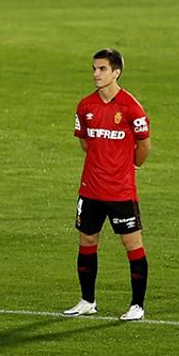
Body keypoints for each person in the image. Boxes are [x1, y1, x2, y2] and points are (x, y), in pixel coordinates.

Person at [63, 48, 152, 321]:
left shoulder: (130, 107)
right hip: (90, 188)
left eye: (102, 69)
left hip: (120, 191)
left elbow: (144, 146)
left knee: (132, 245)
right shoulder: (85, 106)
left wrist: (131, 167)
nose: (96, 74)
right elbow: (85, 142)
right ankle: (87, 301)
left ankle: (137, 306)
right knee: (87, 241)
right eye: (94, 68)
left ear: (116, 72)